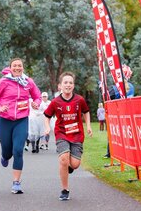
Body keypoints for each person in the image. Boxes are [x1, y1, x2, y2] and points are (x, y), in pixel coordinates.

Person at [0, 58, 41, 194]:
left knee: (18, 150)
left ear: (23, 68)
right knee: (7, 151)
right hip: (5, 120)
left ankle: (16, 183)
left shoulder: (28, 82)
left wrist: (36, 103)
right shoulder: (3, 82)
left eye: (20, 66)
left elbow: (37, 96)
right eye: (15, 66)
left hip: (21, 120)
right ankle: (5, 156)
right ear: (10, 68)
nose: (17, 68)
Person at [44, 71, 92, 201]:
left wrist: (88, 126)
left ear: (73, 85)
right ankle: (65, 190)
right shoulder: (55, 102)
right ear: (60, 85)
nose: (68, 85)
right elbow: (47, 116)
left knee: (75, 164)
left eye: (70, 83)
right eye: (65, 82)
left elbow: (86, 112)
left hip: (76, 135)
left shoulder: (79, 100)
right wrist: (48, 127)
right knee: (63, 160)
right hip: (61, 133)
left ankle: (70, 167)